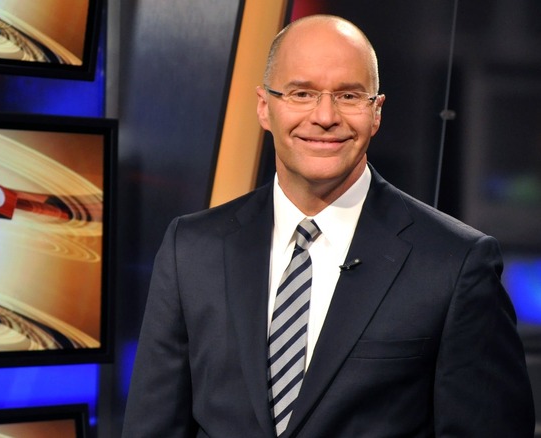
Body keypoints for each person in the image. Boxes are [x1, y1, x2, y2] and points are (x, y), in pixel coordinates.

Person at [122, 14, 534, 438]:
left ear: (376, 112)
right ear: (265, 107)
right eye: (302, 93)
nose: (324, 116)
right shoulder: (191, 250)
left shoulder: (455, 264)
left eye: (349, 96)